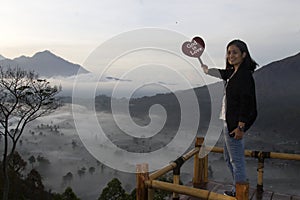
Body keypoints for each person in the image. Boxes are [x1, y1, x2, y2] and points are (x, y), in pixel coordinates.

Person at [201, 39, 258, 197]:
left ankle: (240, 194)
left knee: (236, 161)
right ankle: (237, 190)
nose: (230, 55)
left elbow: (245, 102)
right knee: (229, 158)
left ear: (244, 54)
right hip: (228, 122)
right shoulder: (234, 73)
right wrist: (207, 71)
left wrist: (241, 127)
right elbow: (222, 73)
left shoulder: (244, 76)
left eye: (234, 52)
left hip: (234, 125)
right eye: (228, 52)